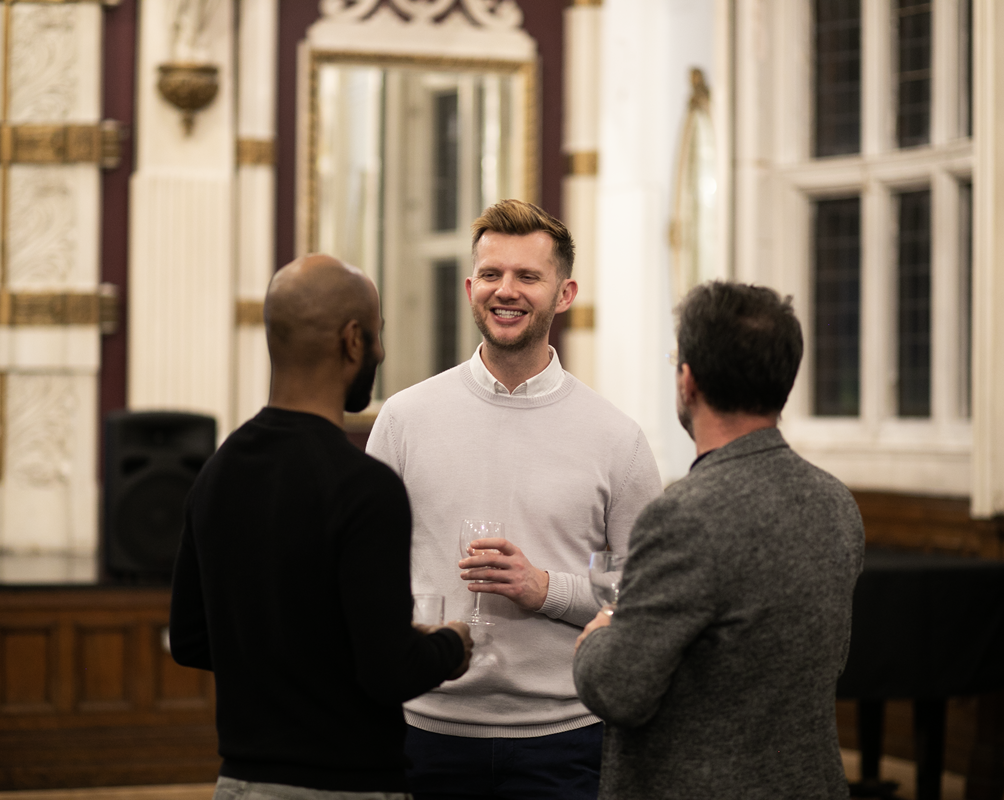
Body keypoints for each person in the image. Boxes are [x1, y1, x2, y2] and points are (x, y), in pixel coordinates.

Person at [366, 199, 663, 800]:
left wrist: (543, 588)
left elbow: (648, 598)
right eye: (493, 275)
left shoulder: (617, 438)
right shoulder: (403, 419)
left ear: (564, 292)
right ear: (471, 287)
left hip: (566, 740)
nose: (508, 290)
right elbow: (363, 575)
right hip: (423, 732)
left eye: (528, 276)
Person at [169, 254, 474, 800]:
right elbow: (389, 671)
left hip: (238, 784)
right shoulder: (364, 488)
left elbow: (191, 640)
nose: (380, 351)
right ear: (353, 340)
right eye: (378, 335)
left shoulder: (216, 474)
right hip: (342, 786)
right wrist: (452, 645)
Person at [573, 281, 865, 800]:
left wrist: (598, 636)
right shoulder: (836, 502)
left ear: (687, 380)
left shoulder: (683, 516)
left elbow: (619, 690)